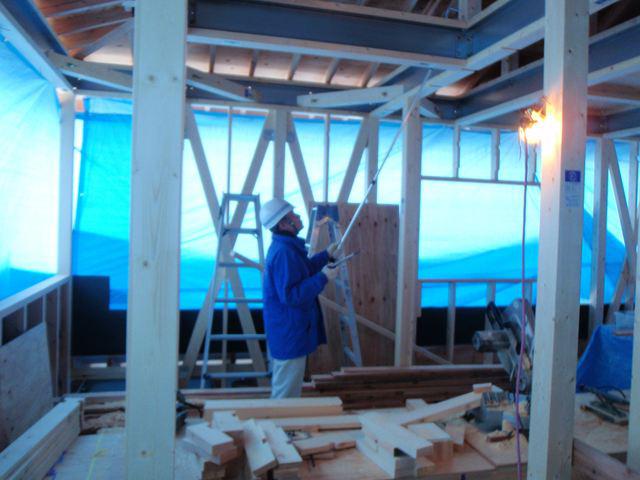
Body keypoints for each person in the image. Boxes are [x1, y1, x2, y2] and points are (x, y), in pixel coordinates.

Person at [259, 198, 338, 398]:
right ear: (284, 224)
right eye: (293, 215)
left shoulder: (287, 247)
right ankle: (280, 419)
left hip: (290, 330)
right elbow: (291, 296)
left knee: (288, 387)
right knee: (285, 394)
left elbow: (303, 270)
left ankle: (283, 418)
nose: (298, 217)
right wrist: (323, 277)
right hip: (289, 333)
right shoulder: (283, 252)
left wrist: (325, 255)